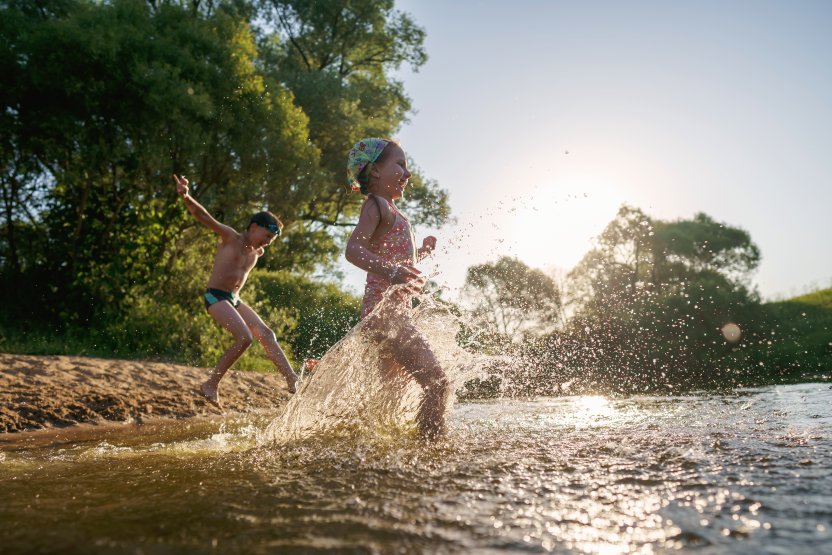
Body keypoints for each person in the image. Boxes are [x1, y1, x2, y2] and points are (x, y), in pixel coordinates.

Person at [344, 138, 449, 439]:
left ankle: (376, 449)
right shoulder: (376, 205)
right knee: (437, 383)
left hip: (386, 317)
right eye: (400, 165)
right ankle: (432, 450)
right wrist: (391, 271)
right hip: (387, 317)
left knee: (388, 401)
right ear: (375, 171)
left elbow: (398, 261)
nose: (407, 173)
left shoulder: (392, 211)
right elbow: (353, 250)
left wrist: (422, 254)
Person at [173, 174, 300, 408]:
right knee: (245, 337)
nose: (268, 243)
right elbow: (203, 216)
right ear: (253, 227)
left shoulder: (256, 252)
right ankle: (211, 383)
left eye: (272, 239)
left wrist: (261, 246)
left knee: (267, 334)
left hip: (234, 299)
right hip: (215, 296)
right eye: (266, 236)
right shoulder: (230, 238)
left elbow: (257, 252)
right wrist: (186, 196)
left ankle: (292, 380)